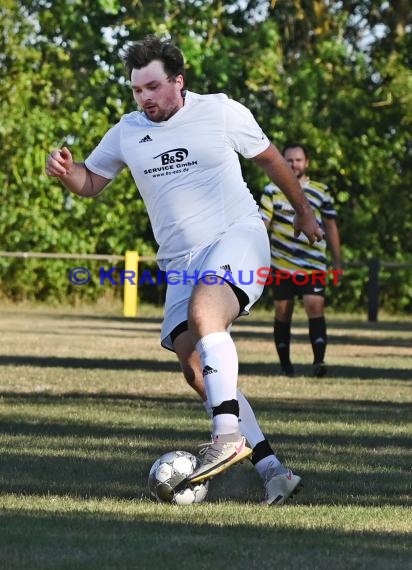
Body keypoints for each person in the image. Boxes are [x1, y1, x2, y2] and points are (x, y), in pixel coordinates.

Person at [46, 35, 323, 504]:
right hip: (179, 262)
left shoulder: (220, 111)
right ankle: (275, 471)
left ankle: (226, 437)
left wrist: (303, 210)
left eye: (153, 86)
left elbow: (270, 159)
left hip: (237, 235)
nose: (145, 98)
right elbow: (92, 182)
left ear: (179, 80)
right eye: (137, 90)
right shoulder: (127, 131)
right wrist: (67, 172)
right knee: (196, 370)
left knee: (207, 313)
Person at [260, 143, 342, 378]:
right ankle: (286, 365)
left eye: (298, 160)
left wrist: (337, 261)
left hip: (313, 263)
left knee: (314, 305)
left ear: (306, 163)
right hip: (281, 264)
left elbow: (331, 226)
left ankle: (319, 362)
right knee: (282, 311)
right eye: (288, 160)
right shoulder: (272, 190)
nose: (293, 164)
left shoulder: (321, 190)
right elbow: (263, 223)